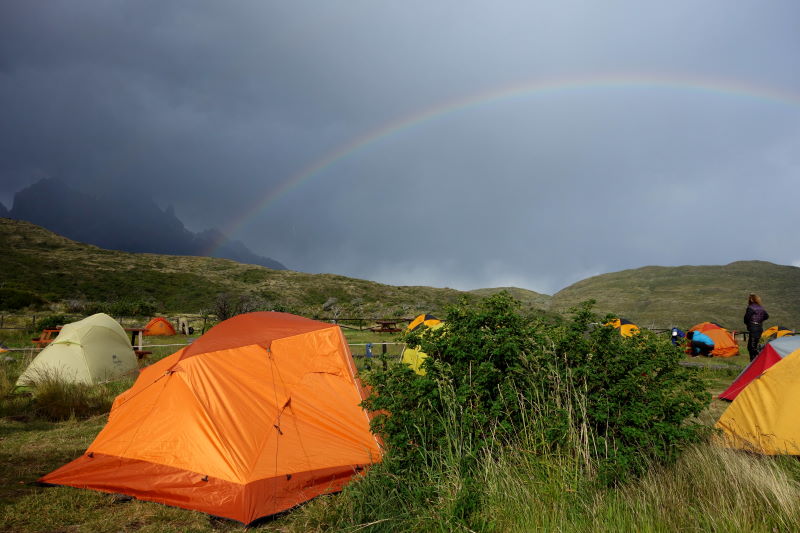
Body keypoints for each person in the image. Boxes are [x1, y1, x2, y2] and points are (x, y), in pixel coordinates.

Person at [744, 293, 769, 361]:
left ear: (751, 299)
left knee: (751, 347)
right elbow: (766, 316)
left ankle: (754, 362)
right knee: (754, 345)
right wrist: (760, 320)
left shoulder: (751, 307)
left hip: (753, 327)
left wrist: (748, 324)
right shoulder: (761, 308)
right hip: (759, 328)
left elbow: (746, 318)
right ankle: (756, 360)